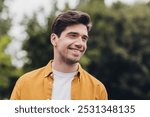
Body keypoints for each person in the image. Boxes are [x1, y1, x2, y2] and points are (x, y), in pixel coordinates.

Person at [10, 10, 108, 100]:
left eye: (84, 38)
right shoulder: (25, 84)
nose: (80, 43)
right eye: (73, 35)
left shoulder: (98, 89)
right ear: (54, 39)